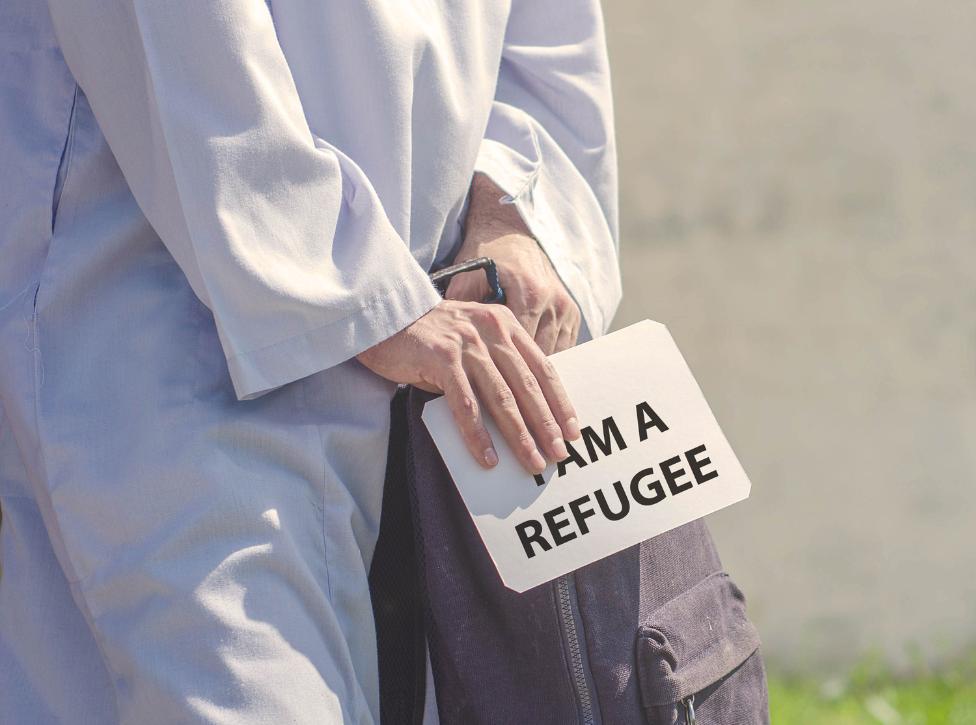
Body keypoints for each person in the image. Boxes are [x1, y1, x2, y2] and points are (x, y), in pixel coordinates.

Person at [0, 0, 620, 720]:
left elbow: (549, 35)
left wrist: (512, 208)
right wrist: (354, 287)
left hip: (444, 337)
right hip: (178, 352)